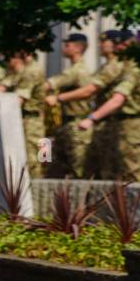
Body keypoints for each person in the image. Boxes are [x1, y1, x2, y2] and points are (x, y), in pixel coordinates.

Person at [81, 30, 140, 182]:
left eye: (120, 44)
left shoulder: (131, 68)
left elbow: (117, 99)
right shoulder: (124, 66)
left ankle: (134, 205)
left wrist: (91, 118)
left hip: (129, 123)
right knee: (110, 171)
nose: (116, 48)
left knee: (129, 170)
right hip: (116, 122)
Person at [44, 33, 99, 178]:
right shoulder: (73, 69)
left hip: (76, 125)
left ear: (77, 48)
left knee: (79, 169)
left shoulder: (77, 71)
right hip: (62, 124)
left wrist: (56, 97)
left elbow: (50, 84)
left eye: (67, 45)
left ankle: (80, 200)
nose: (64, 48)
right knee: (52, 167)